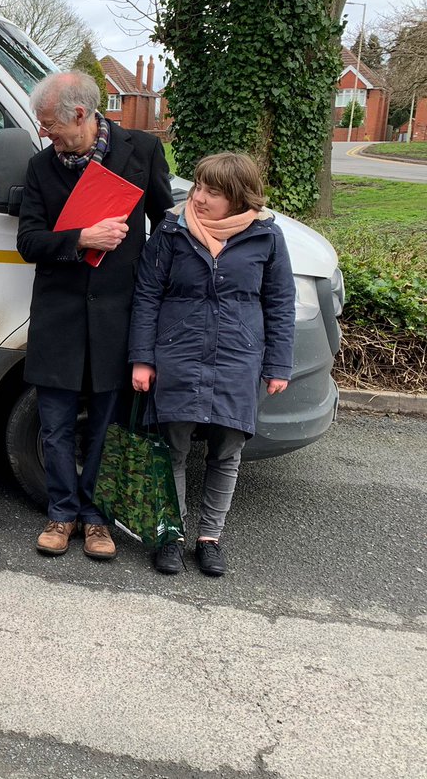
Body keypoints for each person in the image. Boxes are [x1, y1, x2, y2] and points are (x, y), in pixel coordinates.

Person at [16, 71, 173, 560]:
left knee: (106, 424)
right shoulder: (41, 168)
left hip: (117, 317)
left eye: (49, 124)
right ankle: (62, 513)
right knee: (56, 424)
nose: (44, 132)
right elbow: (28, 242)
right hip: (59, 316)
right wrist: (82, 238)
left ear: (80, 115)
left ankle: (98, 518)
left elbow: (167, 226)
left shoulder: (142, 150)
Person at [129, 152, 294, 577]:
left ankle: (209, 538)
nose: (198, 198)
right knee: (173, 448)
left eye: (212, 192)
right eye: (199, 187)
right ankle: (171, 535)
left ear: (238, 198)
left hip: (238, 358)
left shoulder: (266, 237)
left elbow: (279, 303)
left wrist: (278, 364)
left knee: (227, 450)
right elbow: (147, 295)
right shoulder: (170, 230)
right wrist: (142, 358)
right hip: (177, 354)